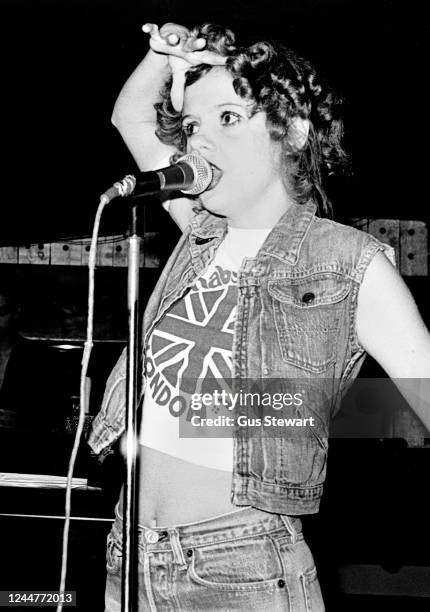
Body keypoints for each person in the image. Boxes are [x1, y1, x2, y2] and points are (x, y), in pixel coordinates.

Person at [88, 22, 430, 611]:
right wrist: (163, 58)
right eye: (193, 126)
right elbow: (132, 119)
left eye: (228, 117)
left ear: (292, 131)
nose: (199, 142)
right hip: (130, 554)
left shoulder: (346, 260)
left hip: (241, 565)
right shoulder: (199, 232)